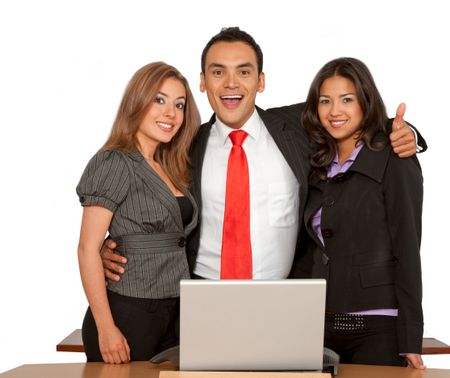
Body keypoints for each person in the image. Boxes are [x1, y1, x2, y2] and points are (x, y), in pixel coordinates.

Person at [101, 27, 425, 283]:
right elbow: (140, 193)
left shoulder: (295, 128)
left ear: (261, 81)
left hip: (285, 295)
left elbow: (352, 114)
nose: (231, 83)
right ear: (202, 82)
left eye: (243, 72)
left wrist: (404, 132)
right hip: (199, 294)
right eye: (218, 72)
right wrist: (110, 246)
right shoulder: (182, 144)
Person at [292, 57, 424, 368]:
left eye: (347, 99)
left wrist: (410, 336)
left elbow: (407, 247)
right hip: (319, 325)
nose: (335, 111)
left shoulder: (394, 158)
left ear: (366, 102)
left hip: (378, 328)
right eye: (325, 101)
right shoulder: (317, 163)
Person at [76, 61, 200, 364]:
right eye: (159, 100)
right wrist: (106, 328)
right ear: (137, 102)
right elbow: (87, 249)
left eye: (179, 104)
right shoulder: (114, 162)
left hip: (174, 309)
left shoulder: (170, 166)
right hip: (129, 311)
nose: (171, 113)